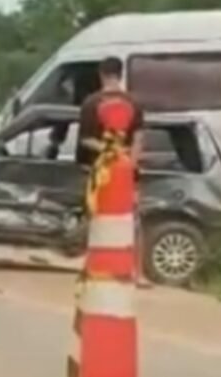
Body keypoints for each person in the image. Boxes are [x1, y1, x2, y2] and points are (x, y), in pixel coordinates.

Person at [74, 55, 151, 288]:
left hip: (101, 170)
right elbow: (139, 138)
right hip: (126, 169)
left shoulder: (91, 103)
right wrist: (130, 162)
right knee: (133, 220)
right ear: (121, 74)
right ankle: (138, 273)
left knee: (97, 215)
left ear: (101, 75)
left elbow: (85, 140)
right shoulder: (134, 103)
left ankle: (95, 265)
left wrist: (108, 151)